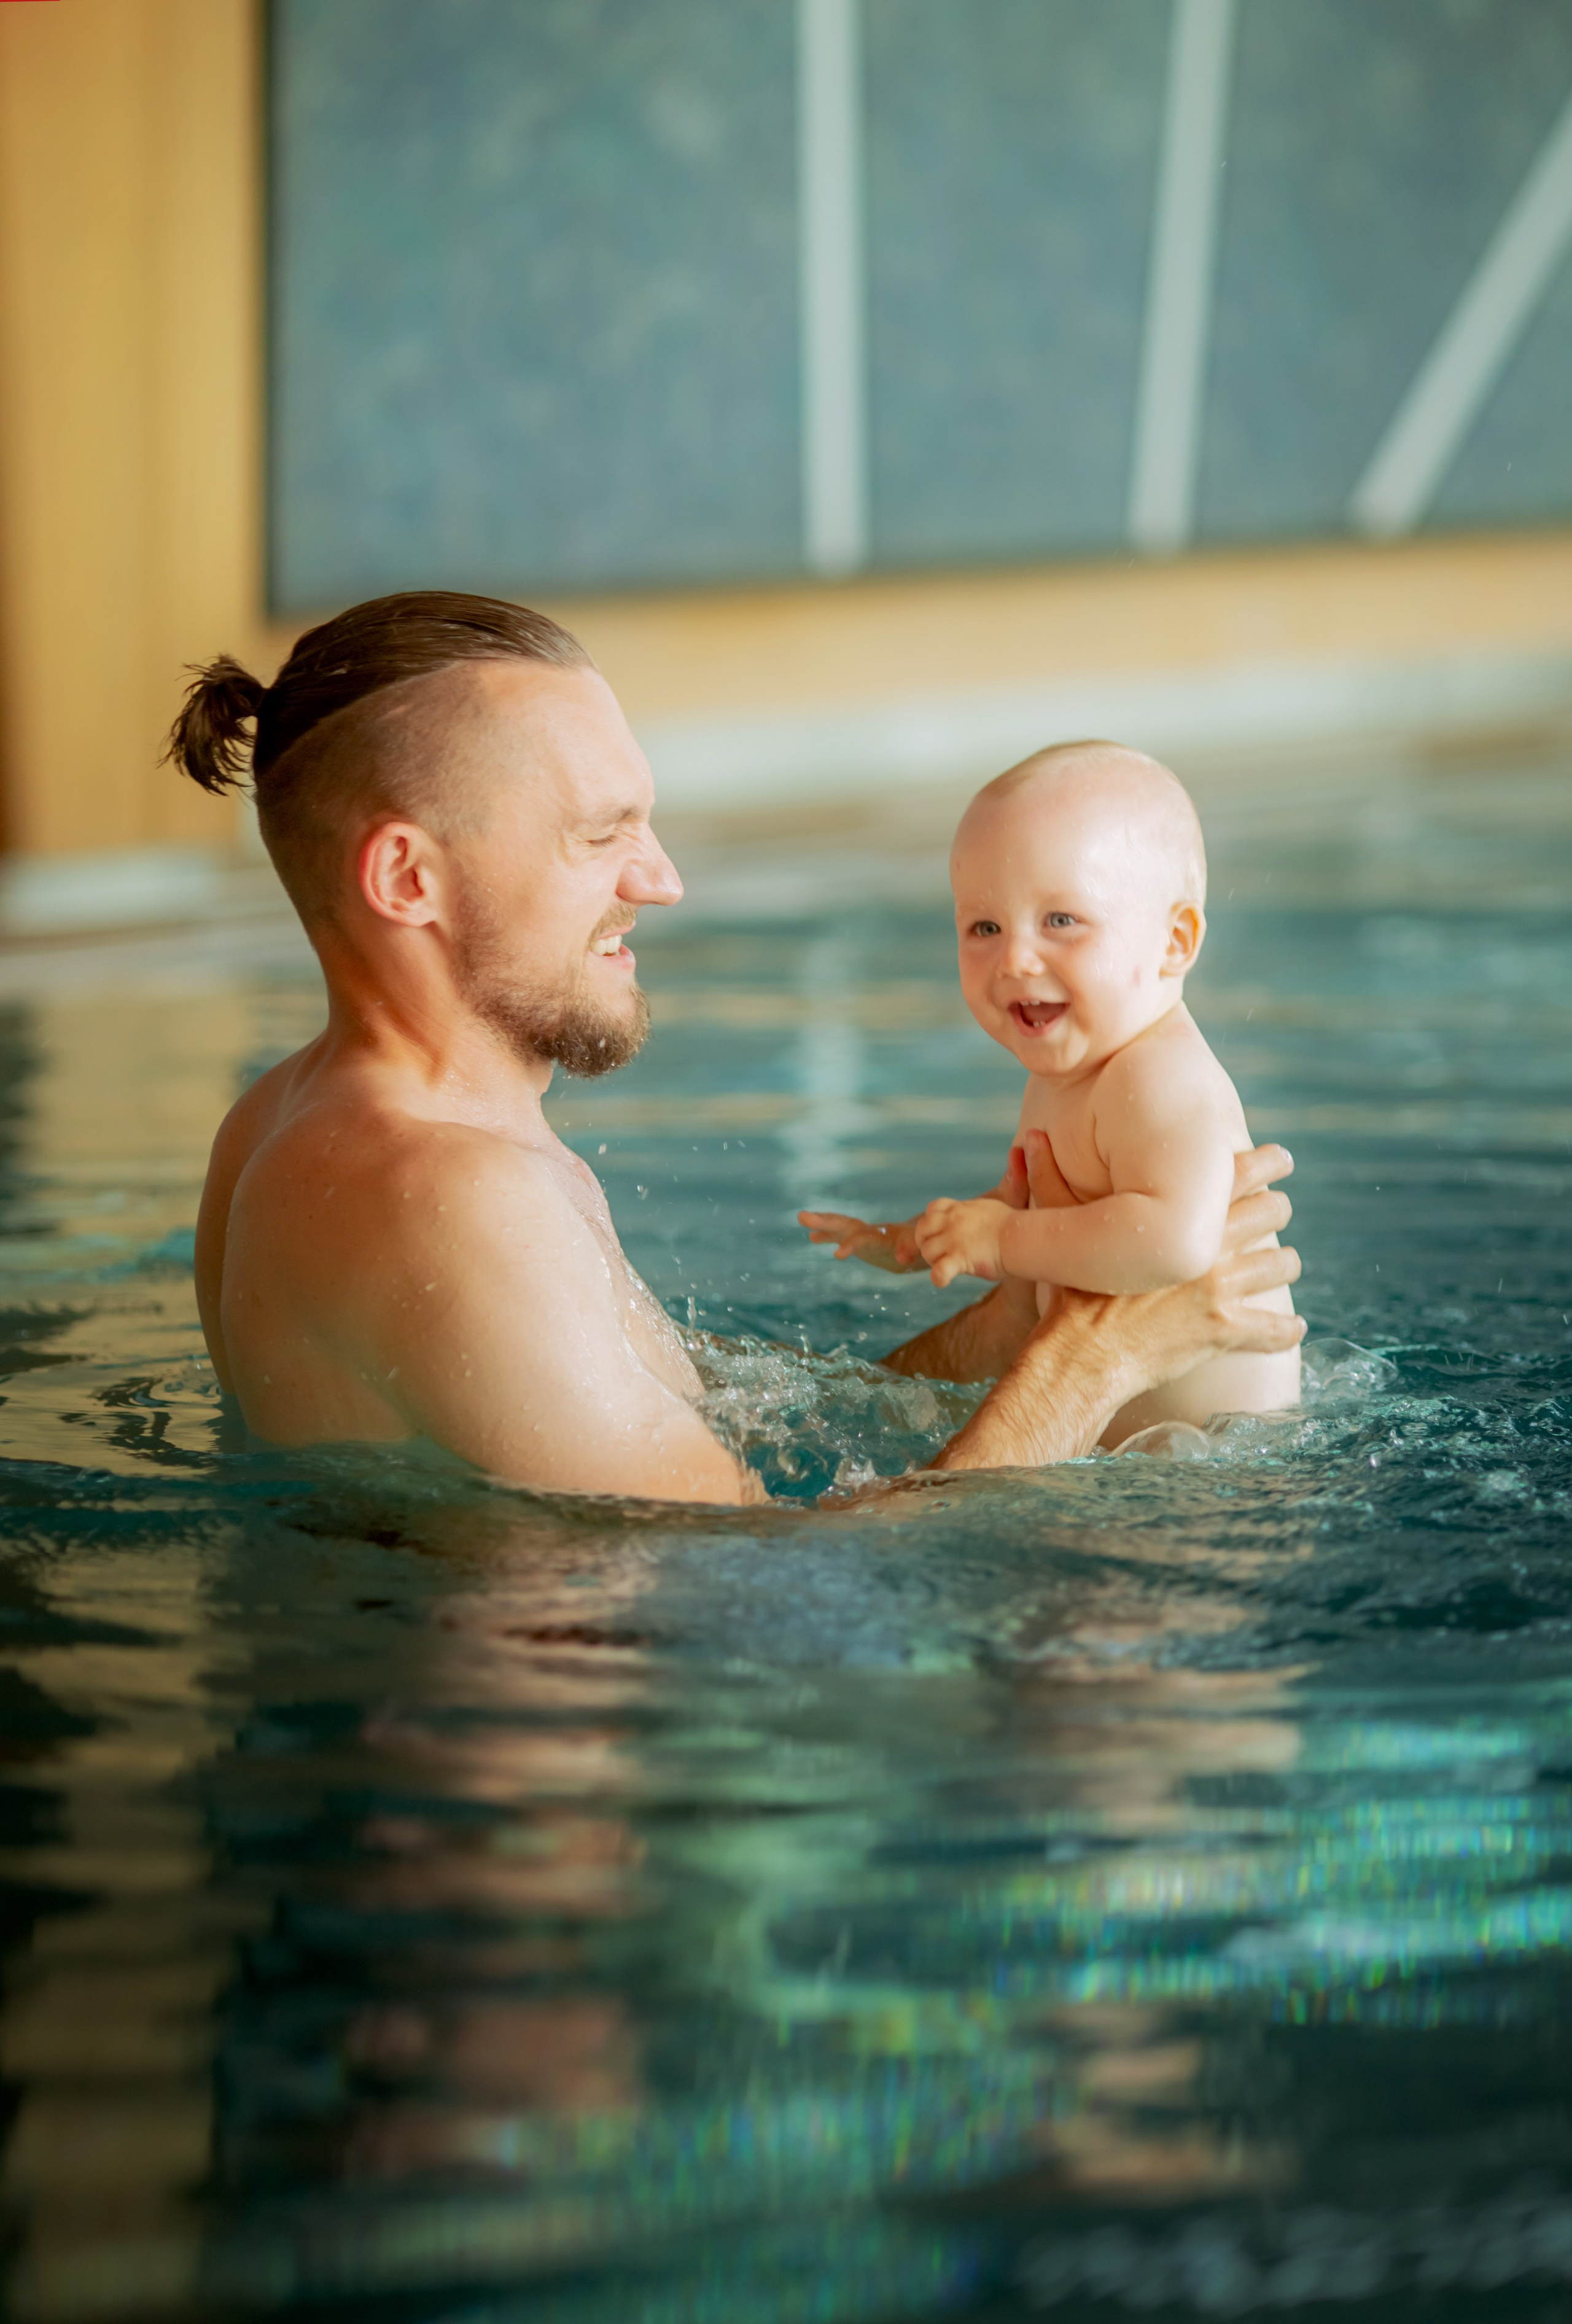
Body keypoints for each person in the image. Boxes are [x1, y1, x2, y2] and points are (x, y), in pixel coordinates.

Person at [168, 592, 1302, 1505]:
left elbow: (701, 1433)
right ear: (409, 878)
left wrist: (1017, 1324)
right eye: (600, 833)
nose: (660, 879)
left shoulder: (280, 1116)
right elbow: (774, 1596)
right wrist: (1095, 1359)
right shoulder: (450, 1199)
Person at [803, 743, 1299, 1446]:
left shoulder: (1156, 1074)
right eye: (985, 927)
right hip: (1136, 1458)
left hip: (1217, 1467)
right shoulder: (1074, 1068)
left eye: (1060, 921)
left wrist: (1004, 1239)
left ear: (1174, 941)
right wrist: (925, 1238)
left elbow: (1174, 1241)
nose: (1015, 959)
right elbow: (1056, 1202)